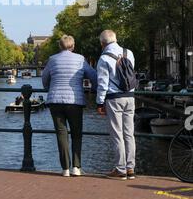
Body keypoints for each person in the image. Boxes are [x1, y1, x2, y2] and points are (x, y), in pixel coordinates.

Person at [42, 35, 97, 177]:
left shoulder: (52, 59)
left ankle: (65, 168)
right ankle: (76, 167)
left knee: (61, 134)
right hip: (75, 101)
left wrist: (49, 87)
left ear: (60, 46)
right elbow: (93, 75)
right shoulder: (80, 59)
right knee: (76, 134)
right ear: (73, 46)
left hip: (55, 101)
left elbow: (45, 77)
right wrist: (95, 89)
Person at [96, 30, 136, 180]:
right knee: (129, 133)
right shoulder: (129, 53)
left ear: (102, 43)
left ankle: (120, 169)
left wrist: (100, 102)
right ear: (116, 39)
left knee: (117, 134)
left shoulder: (104, 58)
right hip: (130, 97)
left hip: (114, 98)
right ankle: (130, 168)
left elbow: (102, 83)